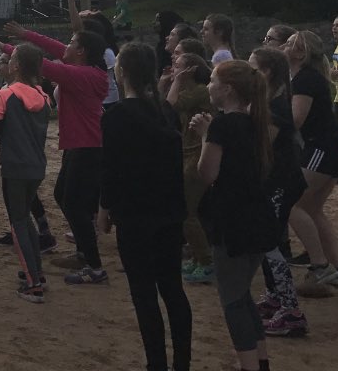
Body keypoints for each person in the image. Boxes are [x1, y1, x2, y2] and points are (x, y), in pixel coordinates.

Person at [0, 20, 110, 285]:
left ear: (81, 52)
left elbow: (38, 64)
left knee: (74, 203)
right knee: (63, 195)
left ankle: (94, 266)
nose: (65, 46)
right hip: (80, 144)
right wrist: (25, 34)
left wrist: (13, 48)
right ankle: (84, 252)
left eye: (72, 43)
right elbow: (55, 49)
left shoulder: (82, 75)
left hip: (88, 146)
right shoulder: (83, 67)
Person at [99, 43, 191, 371]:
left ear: (121, 72)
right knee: (172, 288)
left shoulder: (118, 116)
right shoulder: (163, 112)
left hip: (136, 215)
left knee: (144, 294)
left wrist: (105, 209)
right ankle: (181, 363)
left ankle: (157, 364)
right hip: (168, 212)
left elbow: (112, 168)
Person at [189, 60, 277, 371]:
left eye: (213, 80)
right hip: (258, 217)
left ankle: (250, 365)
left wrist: (204, 134)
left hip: (233, 222)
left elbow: (207, 172)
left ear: (227, 89)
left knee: (232, 301)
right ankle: (260, 360)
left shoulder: (223, 125)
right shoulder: (256, 121)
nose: (208, 85)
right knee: (243, 295)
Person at [248, 47, 309, 337]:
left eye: (252, 66)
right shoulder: (267, 100)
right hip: (275, 181)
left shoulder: (274, 108)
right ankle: (275, 295)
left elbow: (263, 148)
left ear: (266, 72)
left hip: (280, 183)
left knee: (271, 243)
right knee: (265, 239)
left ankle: (291, 309)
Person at [0, 44, 53, 304]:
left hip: (14, 166)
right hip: (37, 166)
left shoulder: (5, 95)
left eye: (11, 58)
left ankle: (33, 283)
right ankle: (37, 272)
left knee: (18, 222)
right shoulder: (43, 95)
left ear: (16, 66)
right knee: (25, 219)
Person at [283, 31, 338, 286]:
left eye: (290, 44)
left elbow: (296, 120)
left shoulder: (304, 80)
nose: (284, 46)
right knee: (312, 209)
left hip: (320, 149)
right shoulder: (305, 77)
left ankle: (320, 265)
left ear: (301, 53)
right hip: (328, 148)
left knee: (292, 203)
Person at [161, 52, 215, 284]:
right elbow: (160, 107)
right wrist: (166, 83)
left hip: (196, 154)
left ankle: (206, 261)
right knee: (189, 210)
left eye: (178, 65)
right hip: (187, 152)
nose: (173, 68)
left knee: (186, 212)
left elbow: (169, 106)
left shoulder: (200, 91)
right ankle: (198, 256)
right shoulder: (188, 89)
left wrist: (175, 82)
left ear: (190, 70)